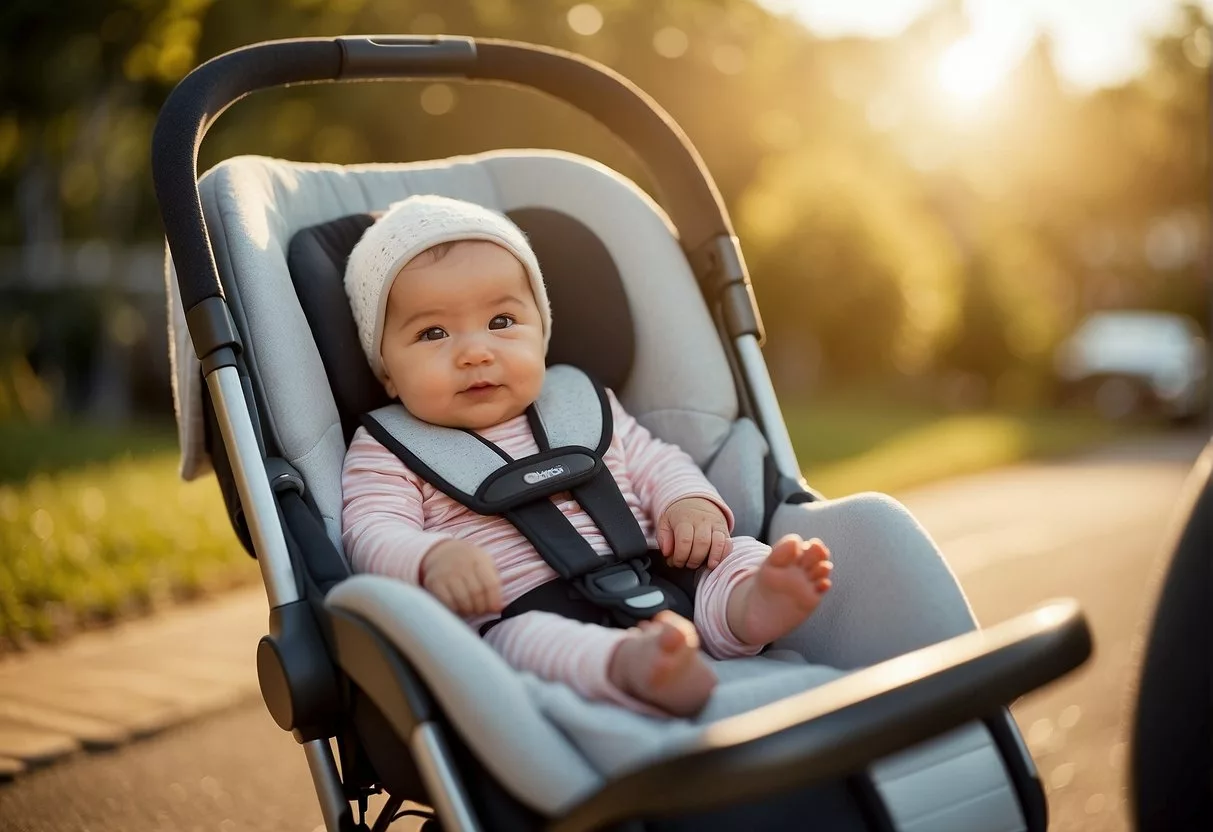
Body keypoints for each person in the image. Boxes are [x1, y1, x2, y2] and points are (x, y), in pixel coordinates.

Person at [340, 195, 833, 717]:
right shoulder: (385, 449)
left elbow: (653, 461)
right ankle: (632, 666)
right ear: (386, 372)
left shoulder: (578, 403)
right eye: (432, 333)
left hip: (657, 574)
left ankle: (751, 604)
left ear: (542, 331)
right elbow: (371, 532)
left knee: (733, 554)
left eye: (502, 321)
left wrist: (687, 504)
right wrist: (430, 559)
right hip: (516, 609)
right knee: (526, 645)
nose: (475, 351)